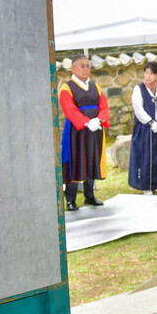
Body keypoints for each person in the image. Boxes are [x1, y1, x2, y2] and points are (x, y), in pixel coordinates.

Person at [59, 54, 110, 211]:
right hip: (76, 132)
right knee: (76, 162)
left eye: (88, 66)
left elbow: (104, 105)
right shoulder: (67, 87)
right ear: (73, 68)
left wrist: (99, 121)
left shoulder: (96, 87)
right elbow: (69, 109)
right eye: (82, 66)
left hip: (94, 131)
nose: (86, 69)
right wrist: (87, 122)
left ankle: (90, 196)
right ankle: (70, 199)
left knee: (91, 161)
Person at [128, 61, 157, 194]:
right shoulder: (138, 89)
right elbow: (138, 109)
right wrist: (151, 123)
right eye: (146, 73)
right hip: (144, 129)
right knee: (145, 156)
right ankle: (145, 186)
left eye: (151, 74)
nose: (148, 76)